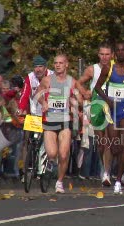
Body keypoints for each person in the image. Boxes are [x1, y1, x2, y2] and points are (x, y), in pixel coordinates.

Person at [94, 41, 124, 194]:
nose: (121, 53)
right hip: (111, 110)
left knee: (123, 145)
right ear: (115, 53)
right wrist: (107, 100)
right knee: (114, 147)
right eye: (118, 50)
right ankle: (117, 172)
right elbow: (97, 86)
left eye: (123, 50)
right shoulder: (109, 67)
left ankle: (118, 181)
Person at [36, 54, 81, 193]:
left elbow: (79, 97)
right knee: (52, 153)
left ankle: (59, 182)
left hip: (65, 121)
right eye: (55, 63)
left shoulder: (72, 81)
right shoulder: (47, 80)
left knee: (63, 154)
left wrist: (77, 103)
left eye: (61, 63)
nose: (58, 65)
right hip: (50, 121)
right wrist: (43, 102)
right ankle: (49, 162)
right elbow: (38, 94)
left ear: (66, 64)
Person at [76, 42, 114, 186]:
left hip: (111, 105)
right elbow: (78, 83)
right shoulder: (92, 69)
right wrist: (84, 92)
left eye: (107, 54)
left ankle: (106, 173)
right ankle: (104, 168)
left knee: (109, 140)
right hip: (97, 105)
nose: (104, 57)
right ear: (98, 55)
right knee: (100, 142)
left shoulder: (116, 69)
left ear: (112, 55)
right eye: (102, 54)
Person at [17, 55, 53, 181]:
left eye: (40, 67)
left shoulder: (53, 77)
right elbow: (25, 94)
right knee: (27, 140)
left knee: (46, 142)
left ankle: (42, 169)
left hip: (49, 114)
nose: (38, 69)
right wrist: (21, 108)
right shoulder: (30, 77)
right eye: (36, 67)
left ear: (45, 67)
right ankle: (25, 170)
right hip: (34, 114)